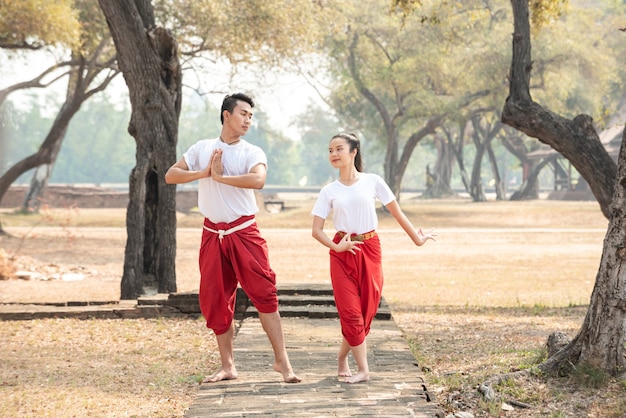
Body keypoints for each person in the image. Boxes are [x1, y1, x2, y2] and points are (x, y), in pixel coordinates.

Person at [165, 93, 300, 384]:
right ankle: (228, 366)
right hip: (212, 234)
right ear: (227, 115)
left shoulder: (252, 151)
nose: (248, 120)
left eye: (251, 115)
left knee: (265, 294)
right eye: (243, 114)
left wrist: (221, 178)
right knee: (215, 299)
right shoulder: (202, 148)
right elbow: (171, 175)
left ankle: (283, 362)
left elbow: (258, 180)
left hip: (244, 233)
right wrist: (205, 172)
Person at [311, 132, 437, 384]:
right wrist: (336, 248)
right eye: (330, 150)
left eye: (338, 149)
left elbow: (397, 212)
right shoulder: (329, 191)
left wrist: (417, 238)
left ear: (353, 152)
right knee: (350, 313)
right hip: (342, 250)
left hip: (370, 248)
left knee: (367, 310)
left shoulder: (373, 181)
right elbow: (316, 230)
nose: (333, 155)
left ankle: (341, 357)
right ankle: (363, 370)